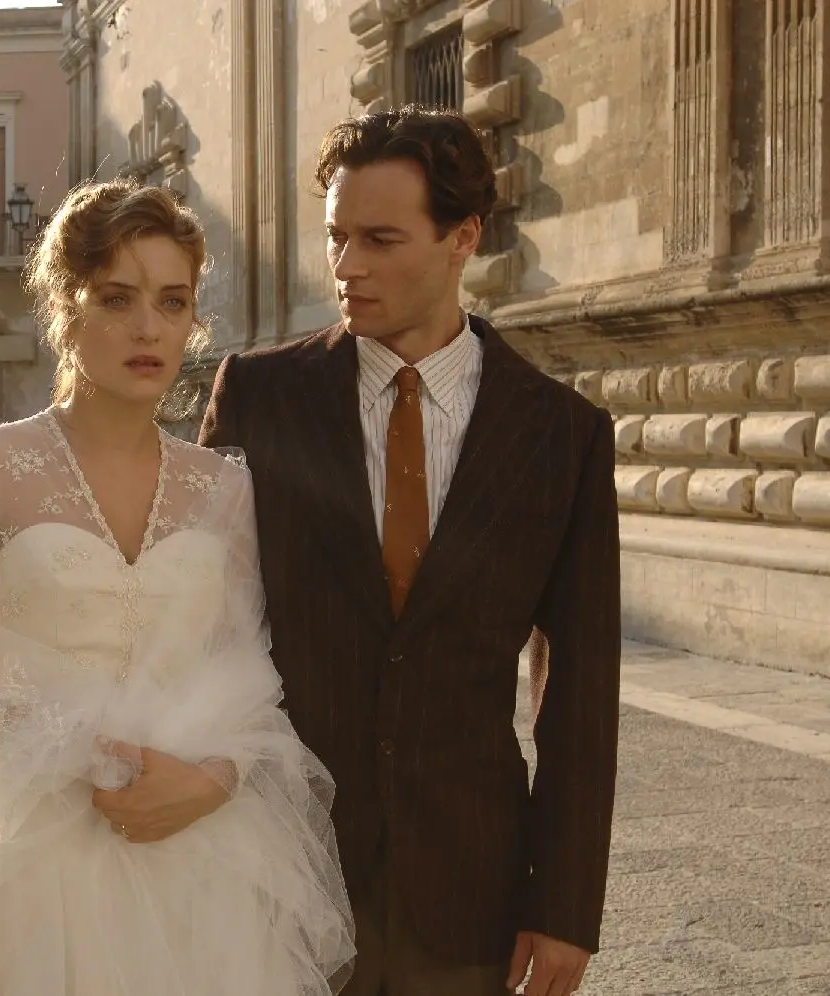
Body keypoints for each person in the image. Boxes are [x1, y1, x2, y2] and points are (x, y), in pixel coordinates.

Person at [0, 181, 354, 996]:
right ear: (65, 306)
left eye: (172, 301)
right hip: (27, 868)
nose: (149, 327)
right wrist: (89, 757)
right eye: (118, 298)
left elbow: (250, 674)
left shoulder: (223, 489)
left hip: (202, 864)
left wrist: (214, 779)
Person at [198, 105, 621, 996]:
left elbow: (581, 691)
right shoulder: (259, 398)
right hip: (280, 876)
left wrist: (566, 904)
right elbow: (197, 625)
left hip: (469, 890)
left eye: (381, 240)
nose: (347, 266)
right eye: (336, 236)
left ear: (463, 237)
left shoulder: (562, 434)